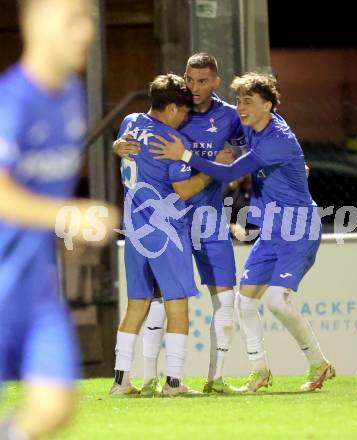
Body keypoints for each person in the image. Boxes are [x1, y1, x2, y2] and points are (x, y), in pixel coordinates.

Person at [149, 72, 336, 392]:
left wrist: (185, 156)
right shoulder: (252, 127)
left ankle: (318, 363)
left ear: (268, 104)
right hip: (271, 229)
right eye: (238, 101)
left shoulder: (276, 137)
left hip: (298, 227)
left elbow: (233, 171)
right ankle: (260, 370)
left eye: (248, 101)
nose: (241, 107)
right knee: (245, 302)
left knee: (277, 301)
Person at [0, 0, 120, 439]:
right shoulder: (11, 101)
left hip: (36, 292)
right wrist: (68, 214)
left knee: (54, 408)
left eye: (88, 18)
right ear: (32, 22)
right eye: (72, 19)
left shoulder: (71, 96)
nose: (85, 31)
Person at [113, 54, 245, 394]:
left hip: (140, 226)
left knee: (140, 304)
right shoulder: (174, 137)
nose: (194, 90)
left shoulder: (130, 121)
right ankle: (169, 381)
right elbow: (184, 188)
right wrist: (208, 168)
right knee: (174, 304)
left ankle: (124, 382)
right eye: (190, 82)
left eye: (203, 81)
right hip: (169, 225)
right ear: (173, 106)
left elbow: (128, 147)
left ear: (216, 82)